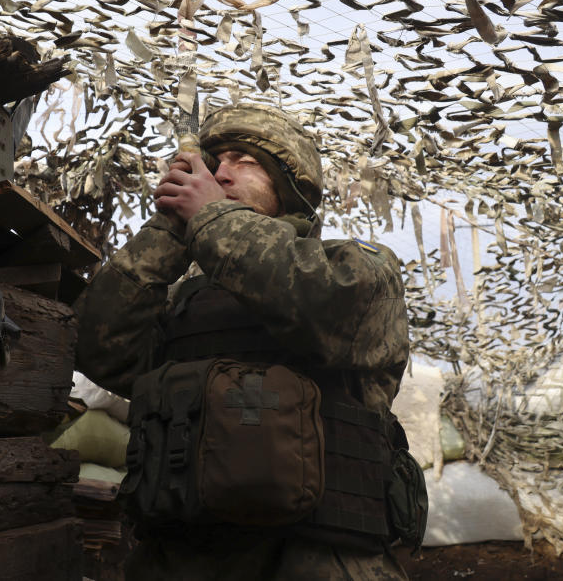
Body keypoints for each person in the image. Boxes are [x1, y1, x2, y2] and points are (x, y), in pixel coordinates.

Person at [75, 103, 416, 580]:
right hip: (181, 560)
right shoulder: (183, 302)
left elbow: (315, 301)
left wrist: (211, 217)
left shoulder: (358, 266)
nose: (220, 173)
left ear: (291, 185)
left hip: (319, 562)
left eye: (245, 160)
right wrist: (170, 232)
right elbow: (101, 348)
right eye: (214, 162)